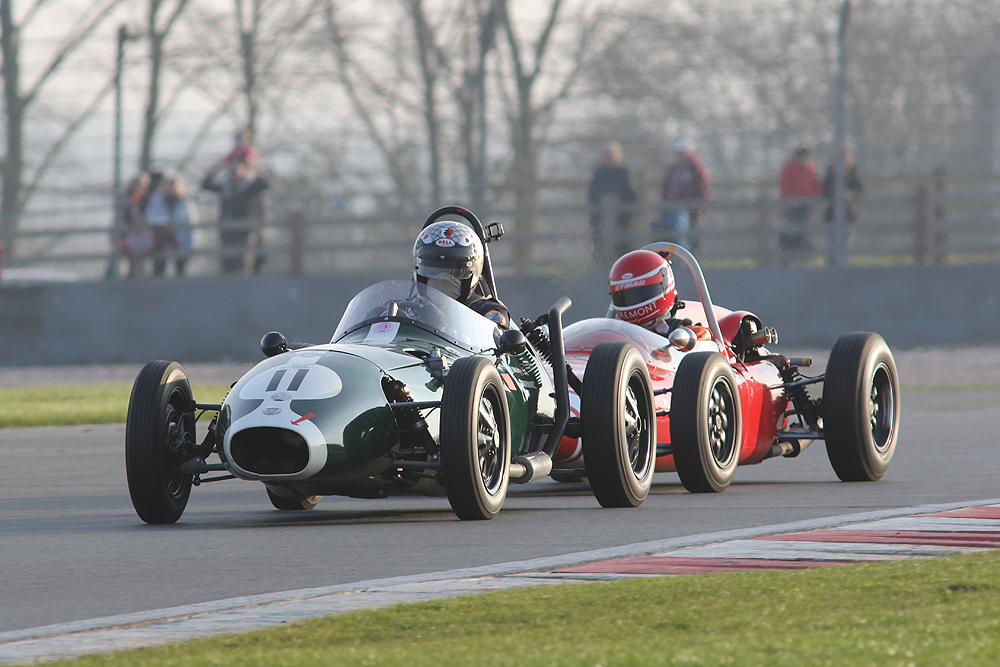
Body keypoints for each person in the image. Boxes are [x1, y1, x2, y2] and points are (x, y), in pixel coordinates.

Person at [413, 220, 510, 328]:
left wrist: (442, 326)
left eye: (455, 272)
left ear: (473, 271)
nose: (443, 278)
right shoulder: (408, 309)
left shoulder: (486, 312)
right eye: (434, 271)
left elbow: (495, 336)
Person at [201, 161, 268, 275]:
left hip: (245, 230)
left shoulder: (249, 187)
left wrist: (252, 168)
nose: (234, 173)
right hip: (227, 230)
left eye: (237, 170)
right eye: (232, 171)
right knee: (227, 261)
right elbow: (205, 185)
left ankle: (244, 281)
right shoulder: (225, 187)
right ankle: (228, 282)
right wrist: (216, 169)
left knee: (245, 260)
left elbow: (264, 184)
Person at [587, 141, 636, 261]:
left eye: (610, 154)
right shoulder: (598, 173)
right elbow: (592, 194)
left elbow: (631, 195)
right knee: (600, 242)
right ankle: (601, 263)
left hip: (620, 216)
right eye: (605, 154)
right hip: (601, 216)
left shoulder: (623, 172)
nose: (607, 157)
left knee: (622, 243)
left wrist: (627, 214)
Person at [657, 138, 709, 250]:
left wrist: (698, 208)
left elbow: (702, 190)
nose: (680, 155)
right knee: (668, 233)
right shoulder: (673, 169)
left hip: (688, 210)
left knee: (682, 233)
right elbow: (666, 188)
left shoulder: (695, 169)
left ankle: (683, 255)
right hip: (671, 208)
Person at [144, 175, 198, 277]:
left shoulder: (185, 201)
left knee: (181, 269)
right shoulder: (156, 200)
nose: (170, 187)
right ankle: (158, 286)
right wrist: (165, 224)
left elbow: (191, 224)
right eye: (167, 184)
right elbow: (150, 217)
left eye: (172, 184)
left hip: (180, 239)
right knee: (159, 267)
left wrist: (190, 247)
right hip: (162, 239)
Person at [778, 147, 822, 254]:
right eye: (802, 156)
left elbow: (815, 182)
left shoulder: (810, 167)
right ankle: (789, 247)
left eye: (806, 157)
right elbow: (785, 184)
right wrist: (789, 198)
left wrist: (816, 195)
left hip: (806, 202)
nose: (804, 159)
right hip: (793, 202)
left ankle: (801, 246)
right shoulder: (789, 168)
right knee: (793, 224)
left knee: (804, 224)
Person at [822, 152, 864, 249]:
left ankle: (842, 258)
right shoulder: (830, 174)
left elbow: (860, 190)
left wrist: (850, 194)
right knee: (833, 244)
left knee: (846, 244)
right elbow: (824, 191)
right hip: (832, 214)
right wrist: (836, 194)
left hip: (849, 214)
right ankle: (833, 258)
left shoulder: (852, 173)